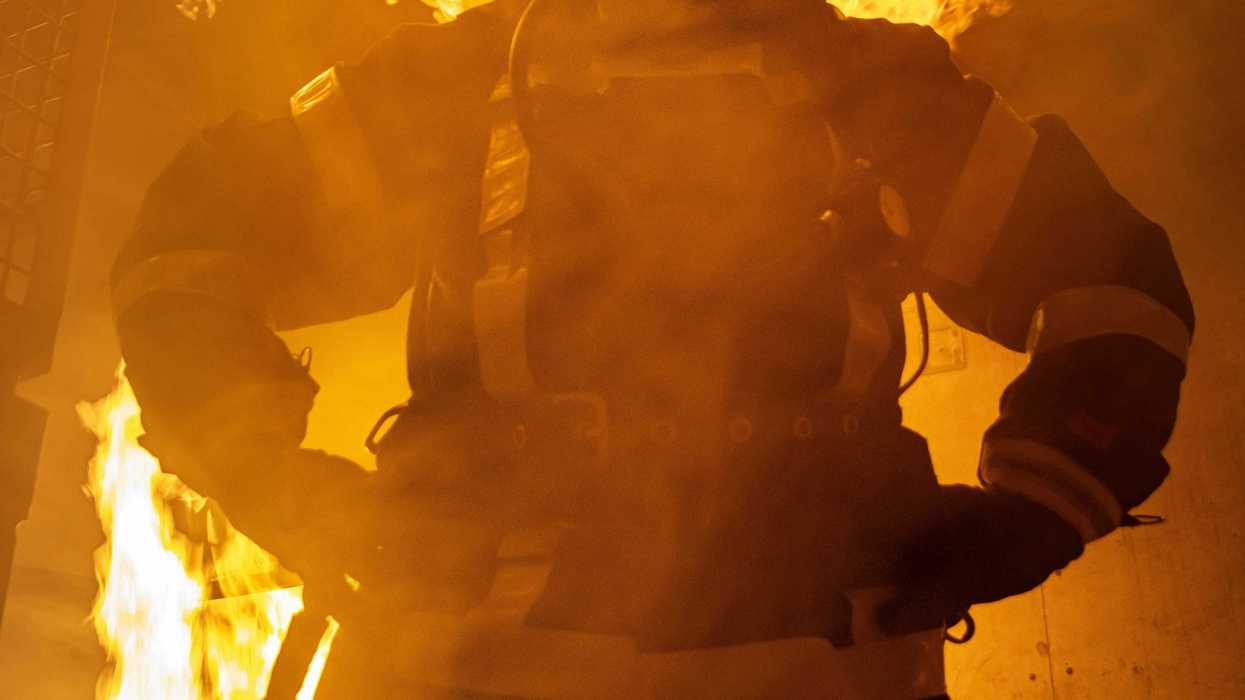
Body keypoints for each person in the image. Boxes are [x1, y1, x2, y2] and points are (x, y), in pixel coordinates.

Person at [110, 1, 1195, 697]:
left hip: (805, 653)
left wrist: (1033, 509)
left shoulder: (869, 89)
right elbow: (193, 250)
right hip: (475, 659)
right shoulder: (454, 85)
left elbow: (1111, 289)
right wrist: (280, 482)